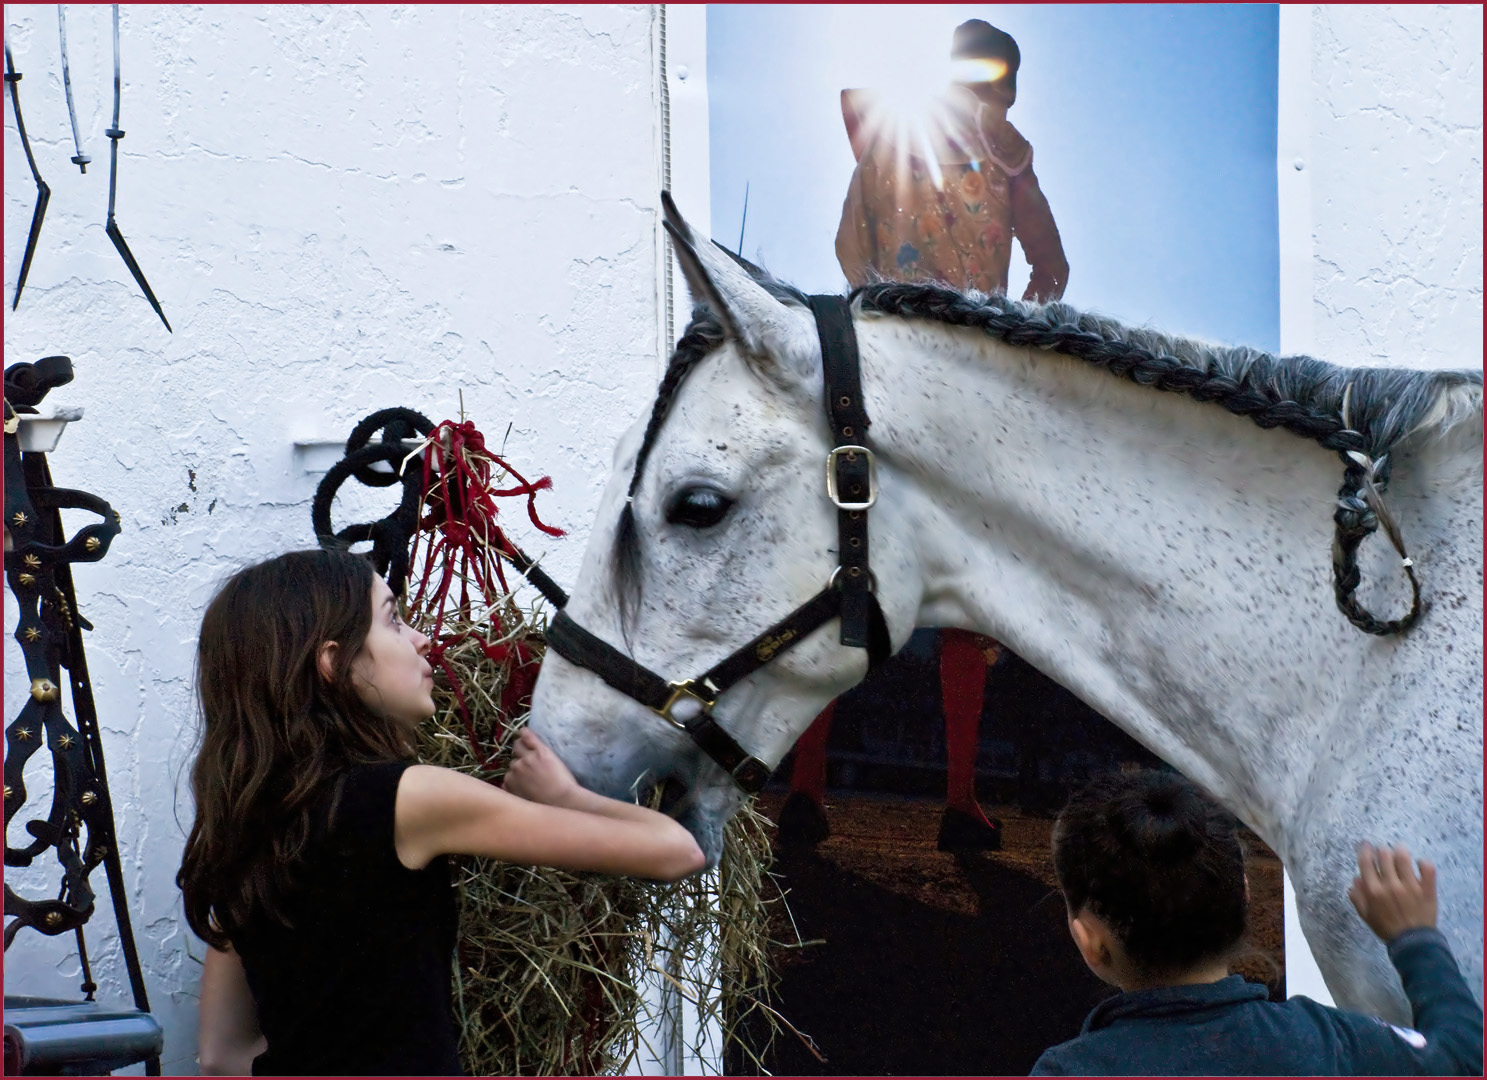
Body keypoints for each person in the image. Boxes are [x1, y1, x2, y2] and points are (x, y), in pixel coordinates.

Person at [177, 549, 704, 1076]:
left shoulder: (242, 828)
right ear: (333, 661)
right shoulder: (405, 798)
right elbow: (676, 850)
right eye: (394, 619)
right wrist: (568, 798)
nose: (422, 638)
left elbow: (223, 1057)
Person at [1032, 769, 1483, 1075]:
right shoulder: (1330, 1043)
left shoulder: (1065, 1071)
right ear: (1245, 894)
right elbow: (1464, 1058)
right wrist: (1416, 939)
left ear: (1089, 941)